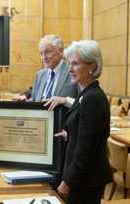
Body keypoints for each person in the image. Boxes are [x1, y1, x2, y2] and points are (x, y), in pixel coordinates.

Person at [52, 40, 112, 204]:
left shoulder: (92, 98)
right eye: (69, 63)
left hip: (86, 181)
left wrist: (67, 181)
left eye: (75, 64)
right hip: (83, 178)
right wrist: (69, 135)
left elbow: (86, 148)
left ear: (92, 66)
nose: (70, 69)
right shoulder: (85, 94)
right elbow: (85, 133)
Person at [13, 34, 78, 103]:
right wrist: (26, 101)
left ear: (61, 51)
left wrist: (66, 101)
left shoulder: (73, 71)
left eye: (48, 52)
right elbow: (35, 99)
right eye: (41, 53)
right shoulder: (40, 75)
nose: (44, 57)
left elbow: (83, 102)